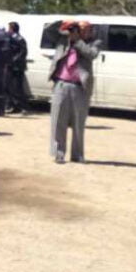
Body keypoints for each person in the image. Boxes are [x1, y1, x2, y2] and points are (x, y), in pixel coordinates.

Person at [48, 20, 101, 164]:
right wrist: (65, 23)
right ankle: (58, 153)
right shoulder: (63, 39)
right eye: (79, 28)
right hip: (61, 84)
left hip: (80, 87)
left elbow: (91, 54)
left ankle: (77, 155)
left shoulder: (94, 43)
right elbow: (49, 30)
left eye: (85, 29)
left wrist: (77, 40)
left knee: (79, 123)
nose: (81, 31)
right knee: (58, 121)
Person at [6, 21, 30, 113]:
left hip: (17, 67)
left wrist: (14, 60)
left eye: (9, 28)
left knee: (17, 87)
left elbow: (23, 52)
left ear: (12, 29)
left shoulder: (19, 38)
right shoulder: (11, 37)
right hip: (11, 66)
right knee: (10, 87)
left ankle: (23, 107)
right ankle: (14, 106)